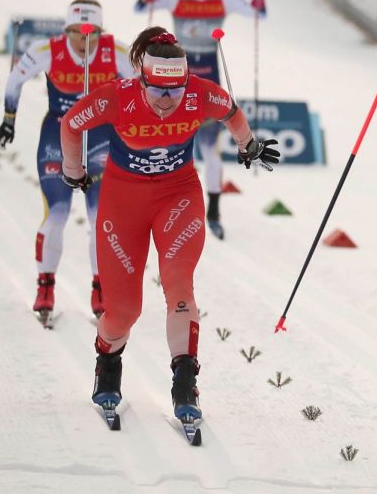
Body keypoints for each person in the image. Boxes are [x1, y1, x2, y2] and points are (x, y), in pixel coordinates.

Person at [59, 27, 279, 422]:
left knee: (179, 283)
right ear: (141, 80)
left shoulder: (199, 93)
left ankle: (184, 381)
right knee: (124, 310)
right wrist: (73, 171)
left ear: (185, 83)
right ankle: (108, 363)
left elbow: (231, 112)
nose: (166, 101)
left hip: (178, 197)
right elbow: (72, 124)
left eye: (174, 92)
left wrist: (249, 146)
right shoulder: (117, 95)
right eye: (157, 90)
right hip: (123, 201)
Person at [0, 0, 132, 320]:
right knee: (57, 213)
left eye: (92, 35)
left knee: (100, 217)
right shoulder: (49, 50)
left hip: (99, 136)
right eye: (77, 35)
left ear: (101, 32)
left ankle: (101, 289)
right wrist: (8, 119)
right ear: (66, 30)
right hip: (59, 133)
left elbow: (143, 87)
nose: (84, 43)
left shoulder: (118, 52)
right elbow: (15, 79)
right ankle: (45, 287)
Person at [134, 0, 267, 240]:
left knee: (210, 150)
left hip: (208, 73)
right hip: (175, 72)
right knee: (166, 141)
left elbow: (255, 12)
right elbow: (141, 6)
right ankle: (158, 204)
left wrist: (258, 5)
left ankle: (214, 212)